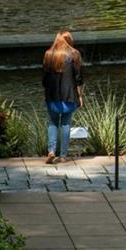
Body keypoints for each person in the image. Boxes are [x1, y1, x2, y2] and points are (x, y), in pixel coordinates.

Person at [42, 31, 84, 164]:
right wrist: (80, 96)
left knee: (52, 123)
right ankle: (63, 156)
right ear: (69, 41)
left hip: (52, 95)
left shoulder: (48, 54)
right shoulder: (75, 54)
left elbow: (44, 79)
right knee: (66, 124)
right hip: (69, 96)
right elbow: (78, 79)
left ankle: (51, 151)